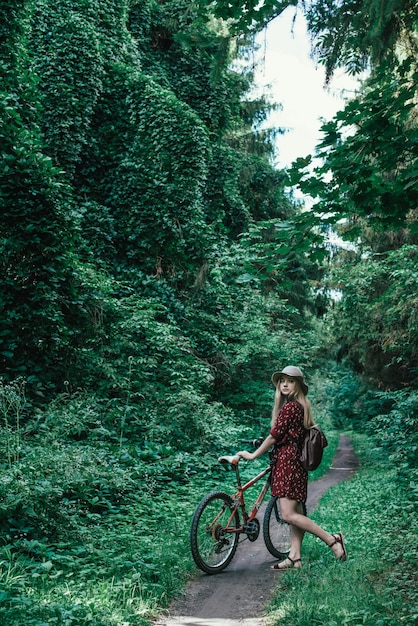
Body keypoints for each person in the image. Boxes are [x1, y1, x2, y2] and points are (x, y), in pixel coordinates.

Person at [236, 365, 347, 569]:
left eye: (290, 381)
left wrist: (252, 455)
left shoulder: (291, 407)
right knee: (295, 512)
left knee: (288, 515)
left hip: (288, 462)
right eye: (282, 381)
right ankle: (295, 556)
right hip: (293, 462)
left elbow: (273, 436)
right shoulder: (299, 406)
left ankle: (332, 540)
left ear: (297, 385)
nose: (284, 384)